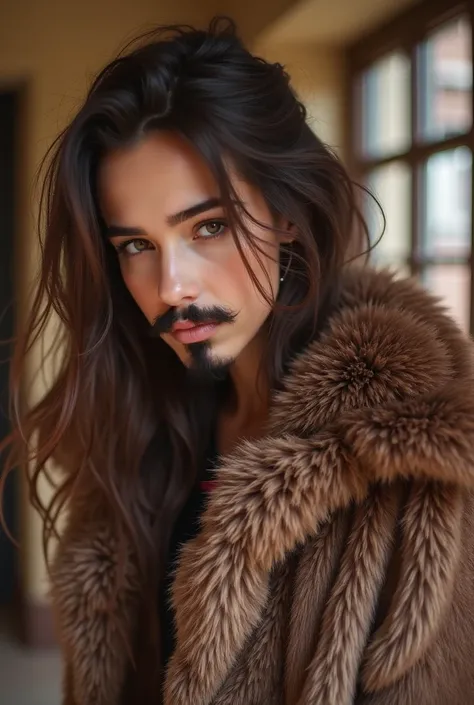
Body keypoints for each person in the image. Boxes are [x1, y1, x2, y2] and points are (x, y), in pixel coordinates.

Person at [2, 16, 474, 705]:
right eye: (134, 244)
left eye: (209, 227)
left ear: (285, 213)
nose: (171, 286)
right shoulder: (136, 434)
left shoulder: (414, 461)